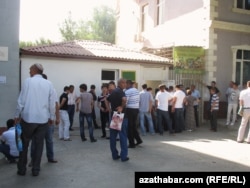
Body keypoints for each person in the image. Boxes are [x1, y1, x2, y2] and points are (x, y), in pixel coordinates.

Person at [14, 63, 56, 176]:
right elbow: (52, 103)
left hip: (28, 118)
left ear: (34, 70)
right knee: (39, 145)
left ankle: (22, 169)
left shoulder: (28, 81)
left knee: (24, 144)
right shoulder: (49, 84)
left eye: (30, 69)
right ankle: (36, 169)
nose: (29, 71)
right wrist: (51, 117)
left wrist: (17, 115)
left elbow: (21, 100)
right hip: (42, 120)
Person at [29, 73, 59, 167]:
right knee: (36, 140)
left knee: (48, 140)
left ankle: (49, 157)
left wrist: (56, 117)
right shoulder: (34, 90)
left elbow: (55, 104)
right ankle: (33, 160)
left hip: (46, 120)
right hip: (38, 119)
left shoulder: (52, 90)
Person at [106, 78, 129, 162]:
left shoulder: (114, 92)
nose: (125, 84)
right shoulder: (120, 91)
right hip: (120, 116)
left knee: (113, 136)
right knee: (123, 136)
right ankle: (124, 156)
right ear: (121, 83)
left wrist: (109, 109)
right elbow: (124, 99)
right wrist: (122, 107)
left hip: (115, 115)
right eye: (125, 83)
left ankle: (114, 155)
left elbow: (106, 99)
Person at [125, 80, 143, 148]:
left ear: (128, 84)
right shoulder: (136, 90)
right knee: (133, 126)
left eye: (125, 84)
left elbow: (125, 102)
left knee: (129, 127)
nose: (125, 85)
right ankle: (138, 140)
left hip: (130, 110)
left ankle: (131, 143)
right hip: (136, 109)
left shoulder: (128, 91)